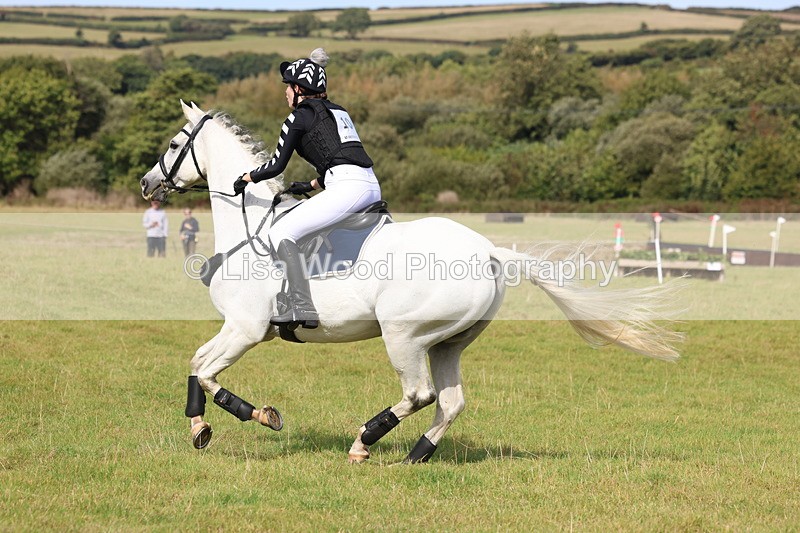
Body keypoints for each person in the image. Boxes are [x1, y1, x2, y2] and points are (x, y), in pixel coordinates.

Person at [233, 47, 381, 330]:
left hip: (347, 189)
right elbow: (343, 157)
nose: (285, 92)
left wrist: (247, 177)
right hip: (369, 185)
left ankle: (302, 306)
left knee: (280, 232)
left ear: (299, 89)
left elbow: (276, 166)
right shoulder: (339, 112)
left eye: (288, 86)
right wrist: (311, 185)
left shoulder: (298, 117)